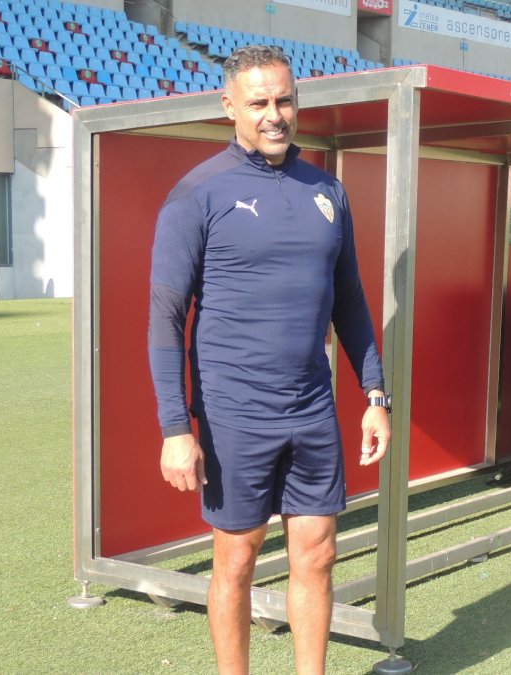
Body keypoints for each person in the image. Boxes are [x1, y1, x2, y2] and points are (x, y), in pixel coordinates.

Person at [147, 44, 391, 674]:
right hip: (235, 411)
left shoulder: (327, 190)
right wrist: (175, 429)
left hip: (310, 406)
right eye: (258, 103)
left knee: (318, 553)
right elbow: (166, 319)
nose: (274, 114)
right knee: (237, 558)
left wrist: (374, 395)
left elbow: (350, 300)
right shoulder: (197, 193)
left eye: (284, 100)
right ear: (229, 106)